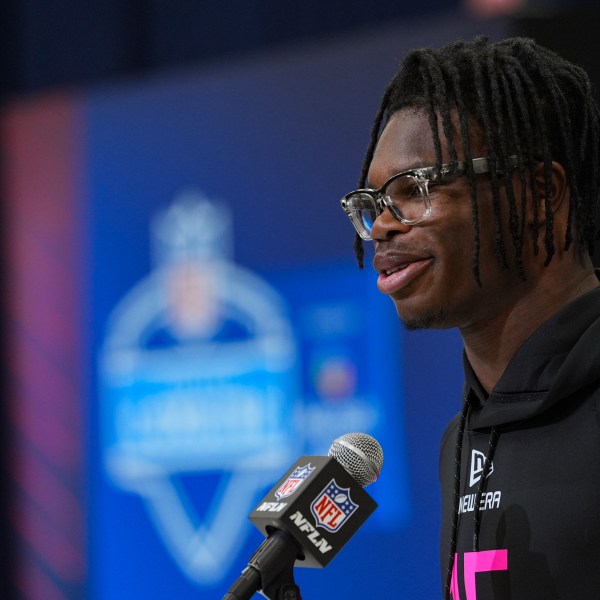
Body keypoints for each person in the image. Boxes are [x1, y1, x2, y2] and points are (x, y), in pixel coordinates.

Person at [339, 36, 600, 599]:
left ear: (539, 193)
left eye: (416, 188)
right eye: (373, 203)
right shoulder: (461, 441)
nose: (383, 225)